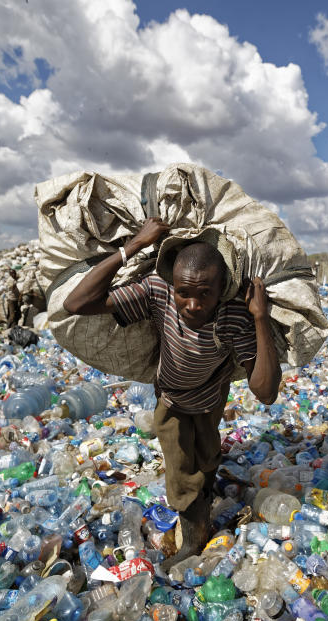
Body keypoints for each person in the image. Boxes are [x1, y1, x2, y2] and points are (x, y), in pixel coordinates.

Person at [62, 218, 281, 569]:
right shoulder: (158, 291)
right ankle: (194, 539)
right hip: (172, 400)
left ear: (223, 286)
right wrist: (134, 245)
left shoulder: (233, 315)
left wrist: (259, 318)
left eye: (204, 293)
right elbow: (77, 304)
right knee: (182, 476)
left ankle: (204, 496)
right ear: (173, 284)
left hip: (211, 398)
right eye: (185, 292)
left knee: (207, 458)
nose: (192, 304)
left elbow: (265, 391)